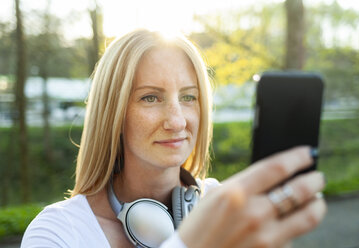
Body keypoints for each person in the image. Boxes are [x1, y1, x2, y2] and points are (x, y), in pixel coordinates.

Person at [21, 29, 326, 248]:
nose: (177, 120)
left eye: (189, 97)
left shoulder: (225, 209)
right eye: (150, 98)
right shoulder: (57, 233)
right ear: (112, 113)